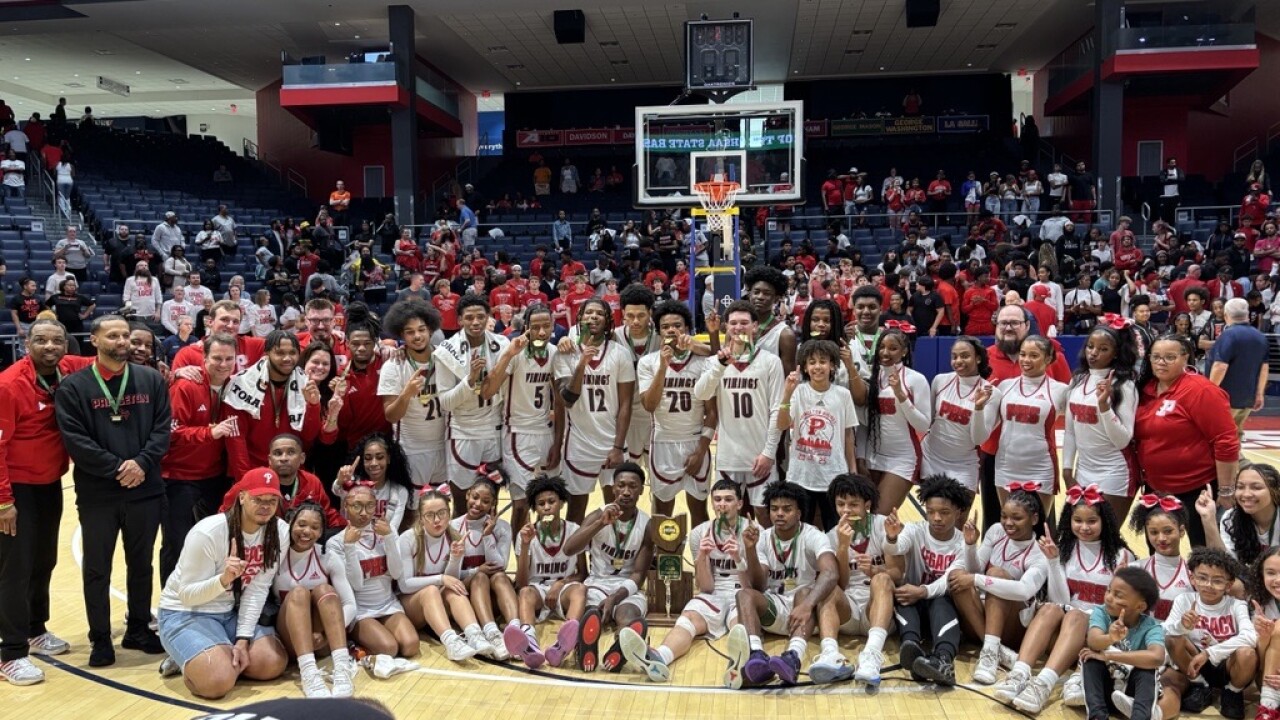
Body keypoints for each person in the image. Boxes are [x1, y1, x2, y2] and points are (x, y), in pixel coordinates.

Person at [54, 314, 170, 667]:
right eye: (114, 336)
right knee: (97, 568)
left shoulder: (151, 380)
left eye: (127, 336)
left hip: (145, 489)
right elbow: (76, 440)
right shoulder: (73, 387)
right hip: (99, 494)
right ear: (94, 340)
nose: (123, 342)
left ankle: (137, 628)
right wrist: (119, 468)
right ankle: (100, 638)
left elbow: (162, 430)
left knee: (141, 564)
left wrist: (141, 464)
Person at [0, 319, 92, 686]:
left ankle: (36, 629)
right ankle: (10, 653)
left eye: (58, 340)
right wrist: (4, 501)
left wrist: (179, 364)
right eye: (41, 340)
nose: (50, 346)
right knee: (14, 569)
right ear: (27, 344)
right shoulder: (8, 385)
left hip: (49, 482)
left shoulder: (65, 368)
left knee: (43, 561)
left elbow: (105, 361)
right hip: (15, 491)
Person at [991, 484, 1134, 713]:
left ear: (1104, 521)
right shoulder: (1064, 551)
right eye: (1078, 520)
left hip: (1100, 637)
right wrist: (1053, 562)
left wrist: (1120, 587)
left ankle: (1042, 685)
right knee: (1049, 609)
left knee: (1077, 615)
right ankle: (1019, 674)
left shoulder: (1122, 556)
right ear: (1069, 520)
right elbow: (1060, 600)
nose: (1084, 527)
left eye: (1091, 521)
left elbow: (1122, 613)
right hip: (1065, 635)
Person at [155, 468, 289, 698]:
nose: (265, 506)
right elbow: (186, 594)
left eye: (272, 500)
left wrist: (243, 639)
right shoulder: (208, 532)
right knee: (216, 682)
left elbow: (257, 589)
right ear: (242, 497)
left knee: (272, 662)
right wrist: (223, 580)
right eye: (258, 499)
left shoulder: (279, 531)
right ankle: (200, 659)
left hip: (227, 612)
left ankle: (212, 655)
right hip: (185, 612)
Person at [617, 478, 748, 682]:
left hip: (743, 592)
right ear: (712, 503)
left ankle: (740, 667)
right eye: (718, 499)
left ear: (739, 504)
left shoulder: (752, 532)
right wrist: (702, 557)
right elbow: (706, 586)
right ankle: (659, 658)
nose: (722, 504)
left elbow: (757, 584)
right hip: (713, 594)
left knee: (739, 625)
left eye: (729, 499)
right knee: (687, 618)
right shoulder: (698, 533)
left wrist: (739, 557)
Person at [720, 481, 840, 688]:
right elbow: (758, 585)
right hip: (775, 606)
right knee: (744, 594)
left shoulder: (814, 535)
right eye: (774, 509)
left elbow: (831, 572)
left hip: (805, 612)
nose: (780, 514)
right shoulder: (762, 537)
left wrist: (807, 605)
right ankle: (756, 655)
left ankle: (793, 657)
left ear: (800, 512)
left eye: (787, 509)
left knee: (804, 593)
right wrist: (750, 550)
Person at [1133, 334, 1239, 547]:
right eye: (1156, 357)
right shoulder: (1145, 389)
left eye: (1170, 357)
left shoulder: (1201, 390)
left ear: (1185, 358)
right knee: (1159, 551)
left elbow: (1225, 441)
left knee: (1203, 554)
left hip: (1197, 490)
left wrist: (1226, 490)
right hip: (1157, 490)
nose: (1161, 362)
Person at [158, 334, 238, 586]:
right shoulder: (186, 386)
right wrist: (208, 432)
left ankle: (205, 600)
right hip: (179, 477)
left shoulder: (234, 386)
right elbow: (169, 432)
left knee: (213, 544)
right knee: (176, 543)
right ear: (204, 359)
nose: (223, 364)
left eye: (229, 359)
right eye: (216, 358)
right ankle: (170, 607)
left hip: (215, 477)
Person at [949, 485, 1049, 685]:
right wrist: (969, 545)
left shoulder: (1040, 552)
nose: (1008, 523)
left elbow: (1023, 591)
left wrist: (977, 580)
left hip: (1015, 626)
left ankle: (989, 655)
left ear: (1034, 519)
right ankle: (995, 649)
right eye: (1004, 516)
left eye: (1017, 518)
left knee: (996, 575)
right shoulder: (996, 531)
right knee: (957, 576)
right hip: (983, 619)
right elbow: (974, 570)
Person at [693, 301, 784, 519]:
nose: (738, 327)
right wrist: (721, 364)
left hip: (760, 456)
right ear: (726, 327)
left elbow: (777, 411)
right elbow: (701, 394)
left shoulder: (771, 362)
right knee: (727, 519)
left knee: (765, 519)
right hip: (728, 456)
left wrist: (769, 453)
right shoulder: (715, 362)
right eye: (733, 323)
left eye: (744, 322)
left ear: (755, 327)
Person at [560, 463, 653, 673]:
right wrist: (600, 524)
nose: (626, 491)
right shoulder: (596, 516)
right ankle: (585, 646)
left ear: (641, 491)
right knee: (590, 611)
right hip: (597, 582)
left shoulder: (647, 525)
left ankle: (621, 644)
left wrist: (615, 598)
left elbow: (639, 574)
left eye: (632, 486)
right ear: (613, 489)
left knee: (628, 613)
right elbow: (569, 549)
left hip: (627, 586)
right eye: (621, 486)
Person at [481, 304, 561, 531]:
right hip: (517, 434)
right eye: (536, 327)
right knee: (521, 504)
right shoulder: (514, 354)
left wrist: (558, 440)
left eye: (547, 326)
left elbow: (560, 403)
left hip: (545, 432)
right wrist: (508, 353)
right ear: (526, 328)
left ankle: (542, 553)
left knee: (548, 503)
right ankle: (519, 553)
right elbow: (487, 391)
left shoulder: (554, 354)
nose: (542, 332)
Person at [554, 298, 634, 523]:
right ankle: (577, 558)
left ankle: (614, 555)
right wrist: (581, 364)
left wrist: (618, 447)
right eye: (588, 313)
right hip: (579, 444)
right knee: (575, 512)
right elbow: (567, 400)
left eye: (599, 313)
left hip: (612, 444)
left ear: (608, 320)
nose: (593, 317)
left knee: (619, 510)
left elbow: (625, 404)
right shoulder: (565, 353)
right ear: (579, 319)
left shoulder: (620, 353)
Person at [889, 475, 973, 687]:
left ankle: (943, 660)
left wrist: (922, 591)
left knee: (941, 599)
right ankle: (912, 648)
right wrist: (891, 538)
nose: (936, 518)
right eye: (931, 511)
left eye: (944, 513)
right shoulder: (914, 530)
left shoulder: (964, 542)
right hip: (914, 603)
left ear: (959, 512)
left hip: (944, 608)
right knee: (903, 596)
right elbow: (896, 549)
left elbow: (948, 579)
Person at [637, 301, 715, 527]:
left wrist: (701, 451)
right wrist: (663, 366)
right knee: (662, 512)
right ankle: (663, 558)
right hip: (663, 442)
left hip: (695, 440)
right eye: (665, 326)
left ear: (687, 330)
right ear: (659, 331)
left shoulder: (703, 362)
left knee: (699, 511)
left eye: (677, 325)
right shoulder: (648, 363)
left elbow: (712, 413)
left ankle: (703, 559)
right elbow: (649, 405)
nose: (671, 330)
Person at [1158, 548, 1255, 720]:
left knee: (1247, 652)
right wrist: (1182, 626)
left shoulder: (1236, 605)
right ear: (1192, 578)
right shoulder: (1184, 600)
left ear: (1229, 584)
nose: (1209, 585)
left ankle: (1233, 692)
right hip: (1194, 666)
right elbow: (1164, 630)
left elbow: (1250, 636)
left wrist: (1209, 653)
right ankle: (1201, 686)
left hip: (1227, 665)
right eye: (1202, 578)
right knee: (1173, 638)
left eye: (1217, 580)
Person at [271, 503, 357, 697]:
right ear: (290, 524)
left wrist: (326, 633)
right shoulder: (276, 556)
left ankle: (342, 668)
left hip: (321, 639)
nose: (306, 531)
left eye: (314, 527)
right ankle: (309, 673)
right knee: (299, 593)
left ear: (321, 532)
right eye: (301, 524)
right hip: (290, 637)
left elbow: (350, 604)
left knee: (324, 589)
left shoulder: (328, 556)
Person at [433, 296, 510, 511]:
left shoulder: (503, 345)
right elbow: (446, 403)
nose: (475, 322)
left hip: (494, 427)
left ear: (488, 317)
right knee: (461, 501)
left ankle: (488, 542)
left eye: (480, 317)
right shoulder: (446, 351)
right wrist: (470, 379)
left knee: (489, 501)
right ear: (459, 320)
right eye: (469, 317)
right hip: (462, 430)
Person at [327, 483, 417, 659]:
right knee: (389, 648)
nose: (363, 512)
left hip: (388, 604)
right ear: (346, 506)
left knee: (411, 646)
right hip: (360, 611)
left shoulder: (385, 533)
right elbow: (356, 584)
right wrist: (349, 547)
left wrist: (390, 537)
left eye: (369, 506)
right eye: (356, 506)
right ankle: (353, 642)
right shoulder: (336, 543)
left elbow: (397, 574)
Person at [503, 475, 586, 668]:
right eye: (541, 504)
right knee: (525, 593)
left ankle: (563, 644)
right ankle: (529, 642)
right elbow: (522, 582)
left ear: (561, 503)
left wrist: (560, 584)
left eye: (551, 501)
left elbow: (583, 573)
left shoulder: (574, 530)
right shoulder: (526, 534)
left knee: (580, 589)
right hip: (537, 591)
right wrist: (524, 546)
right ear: (535, 509)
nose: (547, 507)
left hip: (564, 590)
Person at [1062, 325, 1140, 520]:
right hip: (1083, 470)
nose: (1094, 353)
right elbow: (1070, 431)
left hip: (1115, 471)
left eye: (1103, 349)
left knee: (1107, 537)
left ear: (1115, 354)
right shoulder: (1078, 381)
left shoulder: (1124, 386)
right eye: (1090, 346)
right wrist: (1066, 470)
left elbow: (1123, 440)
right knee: (1080, 533)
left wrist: (1104, 407)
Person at [223, 330, 323, 481]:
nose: (287, 358)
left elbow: (309, 436)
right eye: (280, 353)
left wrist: (314, 406)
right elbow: (236, 439)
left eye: (292, 352)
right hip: (252, 471)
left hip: (291, 473)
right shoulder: (241, 385)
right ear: (267, 353)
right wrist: (246, 480)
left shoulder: (306, 384)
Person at [1079, 567, 1166, 720]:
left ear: (1140, 606)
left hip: (1132, 694)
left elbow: (1157, 657)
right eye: (1108, 590)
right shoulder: (1101, 612)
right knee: (1090, 658)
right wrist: (1110, 638)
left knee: (1147, 670)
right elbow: (1093, 641)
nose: (1109, 598)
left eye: (1118, 595)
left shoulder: (1151, 627)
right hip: (1105, 688)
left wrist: (1108, 655)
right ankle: (1097, 716)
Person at [449, 470, 517, 659]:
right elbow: (450, 574)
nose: (478, 504)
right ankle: (492, 634)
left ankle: (516, 630)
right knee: (480, 577)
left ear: (493, 505)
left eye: (485, 501)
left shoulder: (502, 528)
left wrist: (487, 536)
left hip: (492, 595)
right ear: (468, 494)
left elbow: (500, 565)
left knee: (500, 576)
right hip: (464, 593)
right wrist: (476, 570)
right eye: (475, 497)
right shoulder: (453, 527)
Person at [865, 327, 932, 514]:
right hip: (872, 456)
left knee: (879, 517)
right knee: (864, 518)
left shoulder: (915, 379)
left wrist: (901, 396)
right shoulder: (872, 377)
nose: (886, 352)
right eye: (882, 347)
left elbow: (924, 425)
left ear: (904, 351)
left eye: (893, 348)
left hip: (902, 458)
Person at [921, 337, 998, 492]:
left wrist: (978, 407)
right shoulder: (940, 380)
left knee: (959, 516)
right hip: (931, 458)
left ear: (978, 358)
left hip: (964, 464)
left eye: (964, 356)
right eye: (954, 356)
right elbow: (927, 421)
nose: (958, 361)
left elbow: (979, 439)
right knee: (936, 514)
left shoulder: (992, 393)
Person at [1208, 298, 1269, 451]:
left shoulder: (1228, 335)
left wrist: (1209, 391)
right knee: (1236, 435)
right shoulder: (1260, 336)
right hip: (1247, 397)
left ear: (1226, 314)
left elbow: (1220, 366)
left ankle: (1223, 471)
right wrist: (1260, 394)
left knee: (1219, 437)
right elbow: (1264, 367)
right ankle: (1235, 469)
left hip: (1225, 398)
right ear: (1247, 315)